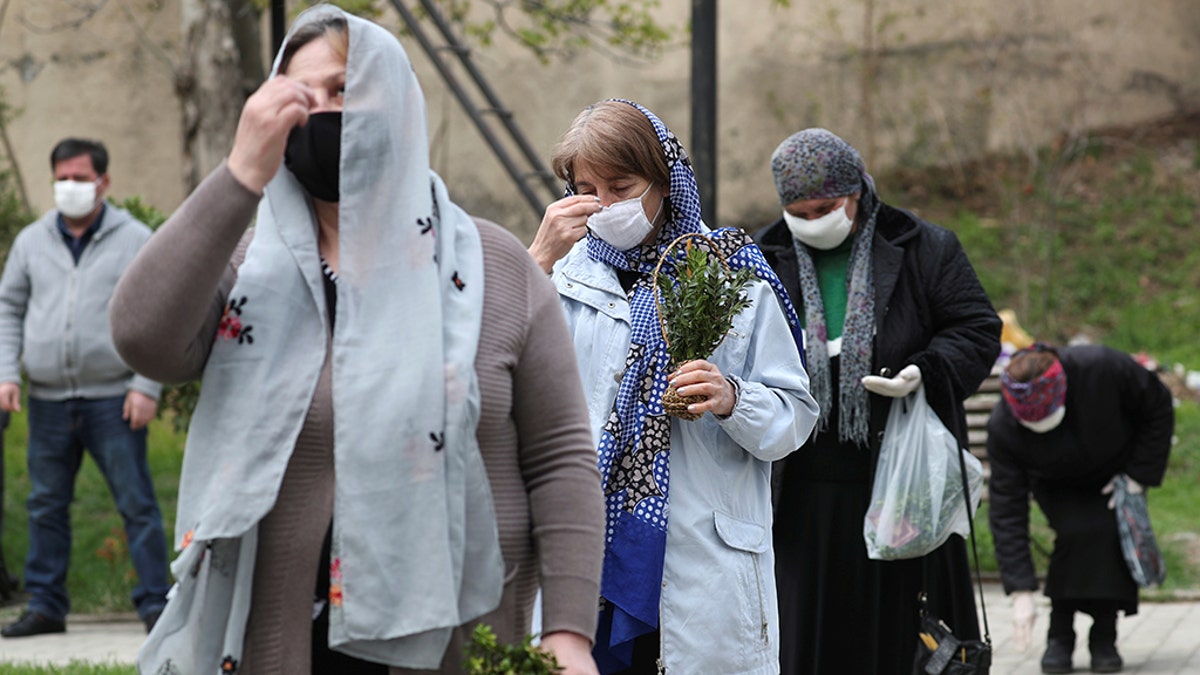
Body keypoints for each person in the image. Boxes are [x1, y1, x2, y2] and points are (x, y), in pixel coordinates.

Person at [110, 6, 605, 674]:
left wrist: (568, 631)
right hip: (284, 643)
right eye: (300, 97)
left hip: (460, 637)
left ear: (396, 103)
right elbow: (143, 339)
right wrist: (238, 176)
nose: (320, 113)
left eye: (343, 89)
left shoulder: (494, 267)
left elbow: (560, 457)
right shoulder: (249, 271)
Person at [529, 99, 820, 675]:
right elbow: (486, 385)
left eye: (621, 184)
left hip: (700, 560)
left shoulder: (731, 273)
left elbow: (796, 417)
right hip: (592, 554)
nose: (605, 204)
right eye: (586, 187)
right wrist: (535, 260)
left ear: (664, 182)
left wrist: (733, 397)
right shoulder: (559, 277)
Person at [753, 128, 1002, 674]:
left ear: (858, 193)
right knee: (810, 636)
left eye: (825, 208)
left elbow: (978, 328)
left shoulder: (924, 248)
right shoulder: (763, 259)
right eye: (798, 211)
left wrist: (925, 371)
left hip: (901, 485)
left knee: (906, 638)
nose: (812, 220)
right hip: (803, 495)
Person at [0, 137, 169, 638]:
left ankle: (156, 606)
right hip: (48, 399)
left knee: (135, 503)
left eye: (79, 177)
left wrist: (147, 384)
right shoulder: (32, 242)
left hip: (114, 398)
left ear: (104, 182)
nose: (69, 187)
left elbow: (158, 312)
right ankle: (47, 605)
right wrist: (7, 372)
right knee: (45, 504)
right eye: (62, 177)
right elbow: (8, 308)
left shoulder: (135, 238)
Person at [987, 342, 1173, 674]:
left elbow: (1157, 406)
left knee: (1106, 532)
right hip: (1054, 482)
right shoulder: (1004, 427)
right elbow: (1006, 507)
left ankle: (1103, 634)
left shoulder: (1102, 368)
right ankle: (1061, 633)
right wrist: (1021, 592)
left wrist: (1137, 476)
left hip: (1114, 470)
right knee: (1075, 533)